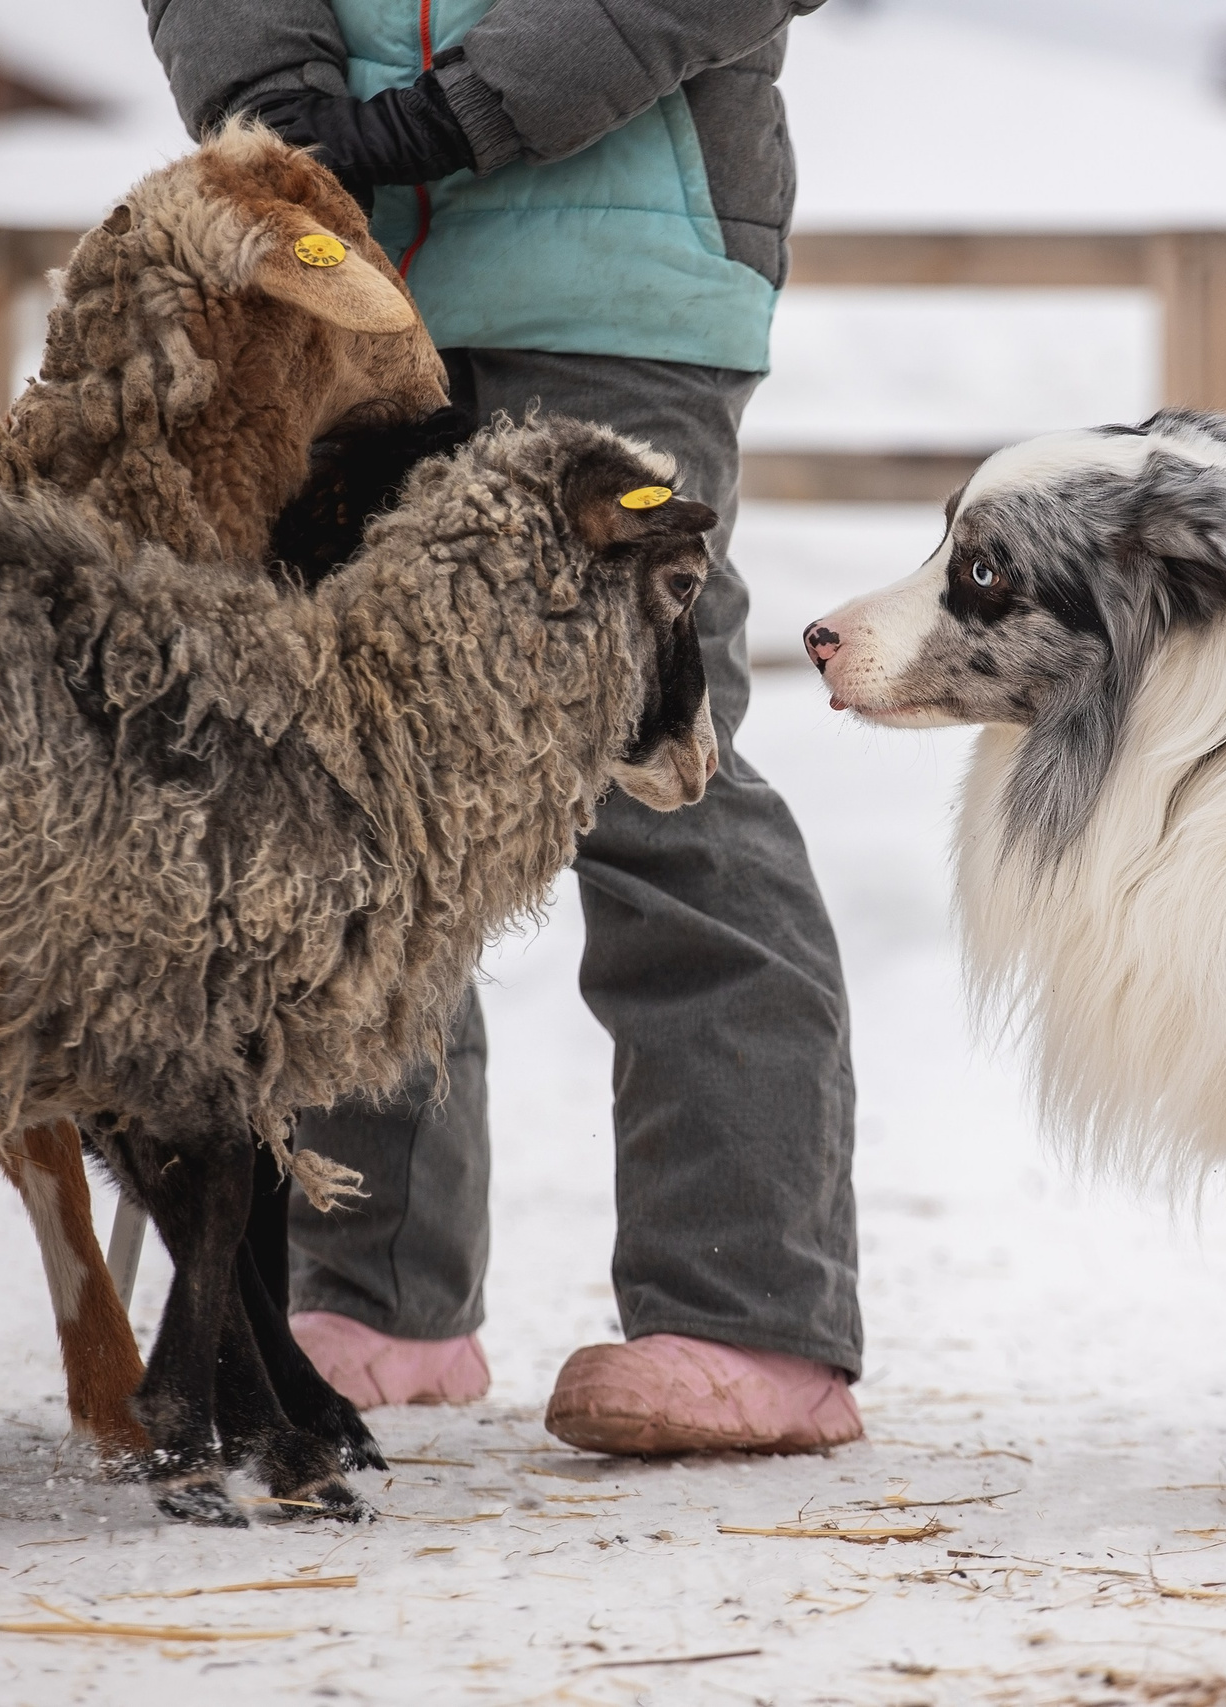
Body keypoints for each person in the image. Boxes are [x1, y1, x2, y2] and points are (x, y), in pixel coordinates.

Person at [145, 0, 862, 1454]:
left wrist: (468, 112)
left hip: (614, 283)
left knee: (660, 780)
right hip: (334, 293)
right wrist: (278, 111)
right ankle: (370, 1288)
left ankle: (746, 1310)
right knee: (350, 798)